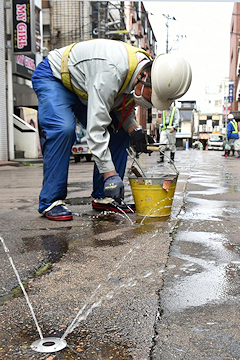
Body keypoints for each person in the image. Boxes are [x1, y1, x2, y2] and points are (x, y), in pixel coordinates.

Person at [32, 39, 192, 221]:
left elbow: (122, 106)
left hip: (85, 86)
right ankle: (51, 200)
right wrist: (110, 173)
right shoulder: (111, 71)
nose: (150, 102)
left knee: (119, 130)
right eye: (152, 95)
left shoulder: (140, 70)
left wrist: (134, 130)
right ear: (146, 76)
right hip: (55, 77)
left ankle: (104, 196)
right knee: (63, 128)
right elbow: (95, 130)